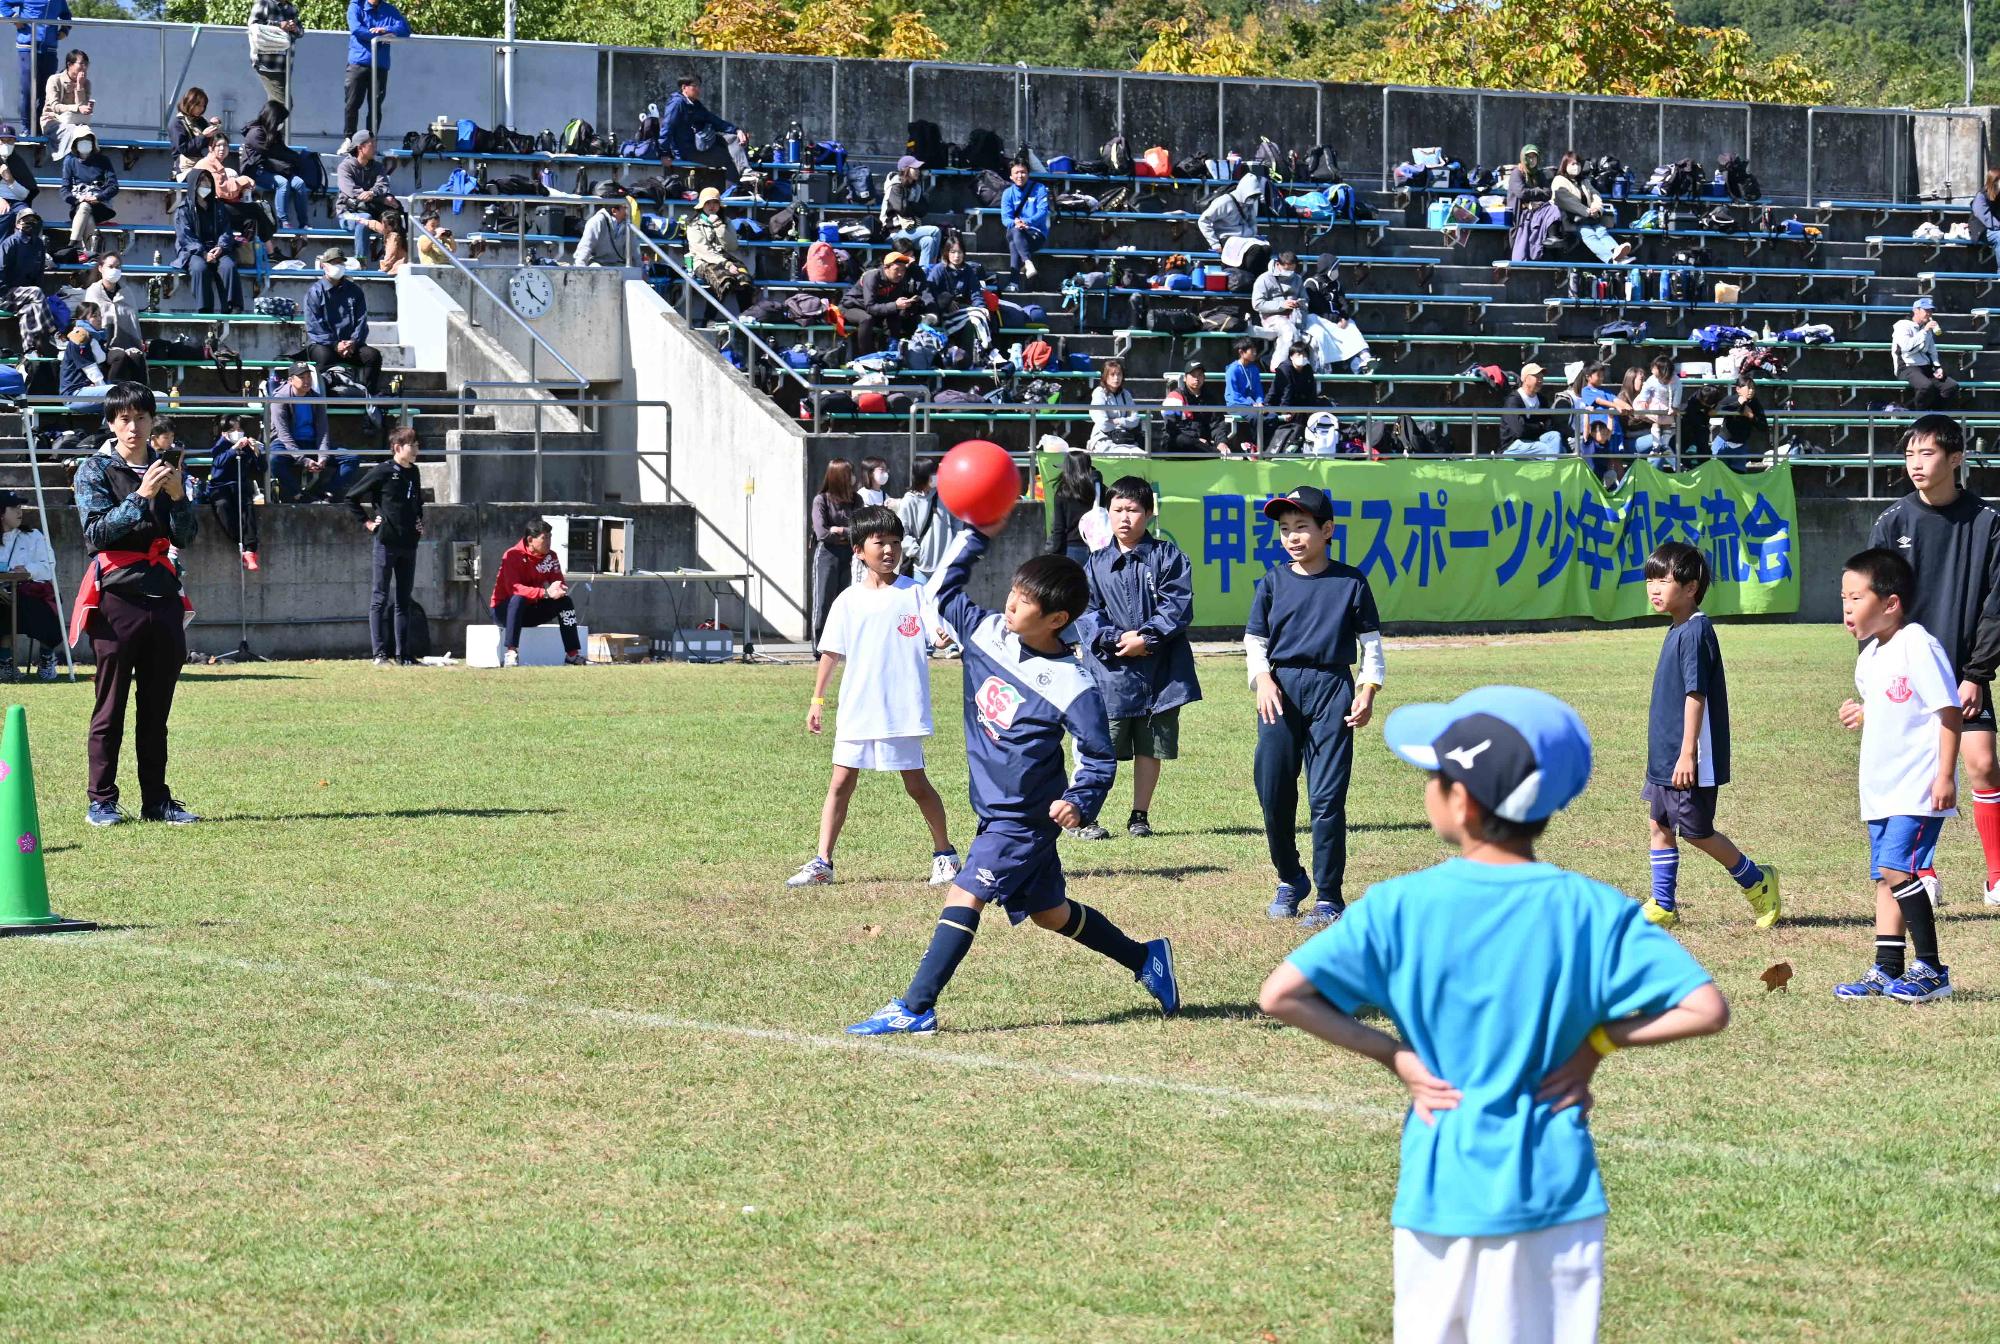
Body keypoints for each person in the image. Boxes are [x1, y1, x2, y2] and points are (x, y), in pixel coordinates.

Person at [1259, 685, 1729, 1344]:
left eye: (1434, 777)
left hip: (1441, 1189)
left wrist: (1395, 1055)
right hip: (1555, 1195)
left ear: (1463, 802)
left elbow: (1280, 995)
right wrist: (1595, 1043)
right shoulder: (1593, 908)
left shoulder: (1398, 906)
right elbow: (1705, 1008)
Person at [844, 513, 1179, 1036]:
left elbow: (1098, 756)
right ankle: (1145, 958)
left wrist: (1081, 801)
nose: (1011, 604)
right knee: (1051, 913)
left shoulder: (1072, 684)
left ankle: (915, 1006)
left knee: (965, 893)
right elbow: (939, 591)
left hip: (1022, 820)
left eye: (1024, 602)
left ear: (1056, 618)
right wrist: (976, 532)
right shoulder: (986, 633)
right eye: (1013, 592)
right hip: (992, 809)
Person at [786, 505, 959, 889]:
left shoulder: (916, 592)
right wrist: (817, 700)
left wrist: (942, 636)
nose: (889, 550)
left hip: (901, 710)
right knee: (840, 783)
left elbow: (937, 633)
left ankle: (945, 856)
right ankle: (823, 863)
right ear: (858, 550)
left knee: (916, 785)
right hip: (858, 708)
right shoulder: (848, 600)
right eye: (880, 543)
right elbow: (831, 652)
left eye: (895, 542)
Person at [1866, 414, 2000, 909]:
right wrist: (1875, 677)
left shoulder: (1987, 523)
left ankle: (1996, 877)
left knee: (1983, 764)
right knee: (1915, 775)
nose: (1915, 464)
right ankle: (1921, 870)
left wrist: (1977, 674)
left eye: (1926, 453)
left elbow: (1996, 605)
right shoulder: (1892, 523)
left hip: (1964, 673)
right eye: (1909, 454)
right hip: (1906, 676)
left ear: (1956, 458)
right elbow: (1872, 604)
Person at [1248, 485, 1384, 930]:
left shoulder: (1351, 582)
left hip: (1332, 690)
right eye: (1285, 528)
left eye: (1302, 526)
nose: (1292, 536)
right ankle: (1290, 878)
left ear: (1327, 530)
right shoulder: (1273, 582)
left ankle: (1328, 896)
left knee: (1326, 799)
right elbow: (1255, 640)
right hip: (1279, 692)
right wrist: (1263, 679)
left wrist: (1367, 690)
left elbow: (1371, 645)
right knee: (1273, 792)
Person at [70, 381, 200, 827]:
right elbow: (97, 534)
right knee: (110, 706)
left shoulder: (167, 467)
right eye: (124, 419)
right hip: (116, 598)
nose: (133, 427)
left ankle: (157, 801)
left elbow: (187, 535)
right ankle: (101, 799)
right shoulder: (94, 469)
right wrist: (142, 495)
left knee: (156, 710)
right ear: (111, 423)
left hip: (163, 595)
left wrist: (178, 497)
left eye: (141, 418)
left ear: (151, 421)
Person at [1835, 548, 1961, 1003]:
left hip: (1917, 787)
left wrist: (1945, 776)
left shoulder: (1918, 645)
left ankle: (1931, 969)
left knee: (1897, 868)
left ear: (1890, 603)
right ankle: (1887, 968)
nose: (1847, 607)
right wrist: (1863, 713)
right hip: (1880, 789)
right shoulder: (1869, 656)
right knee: (1884, 876)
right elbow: (1892, 706)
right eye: (1843, 598)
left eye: (1856, 597)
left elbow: (1948, 712)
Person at [1636, 542, 1781, 929]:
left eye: (1663, 581)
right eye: (1650, 580)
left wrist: (1688, 754)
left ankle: (1757, 880)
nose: (1654, 589)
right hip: (1665, 754)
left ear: (1691, 587)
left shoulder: (1696, 631)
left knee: (1697, 831)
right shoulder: (1677, 628)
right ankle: (1663, 904)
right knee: (1659, 824)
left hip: (1689, 755)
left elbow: (1695, 694)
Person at [1071, 476, 1199, 842]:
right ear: (1107, 514)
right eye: (1117, 510)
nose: (1125, 518)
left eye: (1133, 510)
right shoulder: (1094, 564)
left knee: (1150, 746)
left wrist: (1147, 638)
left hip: (1161, 671)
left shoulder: (1169, 557)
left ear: (1149, 513)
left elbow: (1178, 605)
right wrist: (1115, 639)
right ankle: (1085, 817)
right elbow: (1087, 612)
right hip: (1111, 672)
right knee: (1101, 746)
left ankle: (1139, 816)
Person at [345, 426, 423, 666]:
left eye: (417, 445)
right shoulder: (383, 471)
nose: (416, 449)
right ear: (398, 448)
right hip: (386, 542)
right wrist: (368, 523)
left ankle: (403, 654)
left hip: (409, 543)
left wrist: (419, 521)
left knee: (404, 599)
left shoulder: (414, 472)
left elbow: (417, 502)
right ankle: (379, 654)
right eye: (412, 445)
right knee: (380, 597)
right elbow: (351, 497)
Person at [489, 518, 583, 667]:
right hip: (504, 612)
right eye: (544, 538)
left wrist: (559, 588)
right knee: (518, 598)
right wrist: (545, 593)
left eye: (550, 537)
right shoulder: (512, 555)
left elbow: (558, 582)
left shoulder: (551, 556)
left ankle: (572, 655)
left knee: (565, 602)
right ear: (530, 540)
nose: (549, 542)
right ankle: (511, 653)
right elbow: (515, 589)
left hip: (530, 610)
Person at [267, 362, 353, 501]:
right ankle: (299, 495)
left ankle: (327, 493)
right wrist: (304, 460)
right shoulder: (280, 399)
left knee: (351, 457)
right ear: (291, 380)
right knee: (273, 459)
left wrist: (323, 456)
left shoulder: (316, 398)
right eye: (302, 377)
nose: (307, 381)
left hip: (312, 443)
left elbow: (323, 430)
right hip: (286, 444)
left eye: (309, 377)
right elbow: (283, 435)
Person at [0, 489, 61, 680]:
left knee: (40, 606)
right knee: (3, 609)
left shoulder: (33, 536)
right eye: (14, 508)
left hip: (31, 592)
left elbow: (48, 566)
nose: (19, 512)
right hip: (3, 594)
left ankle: (46, 657)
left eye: (20, 507)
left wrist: (28, 570)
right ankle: (5, 661)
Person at [306, 247, 381, 396]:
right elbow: (315, 326)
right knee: (324, 357)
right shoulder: (315, 292)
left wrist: (353, 342)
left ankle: (368, 398)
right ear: (324, 265)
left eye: (341, 262)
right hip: (324, 345)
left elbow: (361, 321)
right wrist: (335, 344)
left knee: (373, 356)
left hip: (351, 346)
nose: (338, 266)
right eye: (334, 262)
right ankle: (326, 397)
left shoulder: (355, 291)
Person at [1252, 251, 1339, 372]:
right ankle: (1279, 367)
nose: (1290, 272)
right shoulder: (1264, 279)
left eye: (1292, 269)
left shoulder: (1297, 279)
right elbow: (1257, 304)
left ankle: (1314, 371)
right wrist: (1282, 305)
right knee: (1289, 332)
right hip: (1272, 317)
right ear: (1278, 264)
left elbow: (1305, 299)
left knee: (1317, 336)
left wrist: (1299, 304)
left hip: (1296, 315)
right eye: (1286, 269)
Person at [342, 0, 410, 147]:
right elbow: (356, 29)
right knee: (352, 103)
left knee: (375, 107)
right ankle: (349, 141)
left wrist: (385, 30)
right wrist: (377, 37)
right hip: (358, 63)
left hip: (380, 65)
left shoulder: (389, 10)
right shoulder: (356, 6)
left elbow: (405, 30)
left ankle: (369, 143)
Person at [174, 169, 242, 314]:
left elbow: (226, 230)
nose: (206, 185)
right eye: (202, 181)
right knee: (199, 268)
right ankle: (205, 310)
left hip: (217, 249)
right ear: (194, 185)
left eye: (208, 181)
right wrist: (203, 253)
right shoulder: (183, 210)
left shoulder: (218, 206)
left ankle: (232, 307)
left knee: (228, 266)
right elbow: (186, 237)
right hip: (193, 252)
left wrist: (221, 247)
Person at [663, 75, 752, 185]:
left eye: (699, 86)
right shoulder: (677, 104)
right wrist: (665, 154)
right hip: (688, 151)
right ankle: (734, 190)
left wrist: (737, 130)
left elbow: (714, 120)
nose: (698, 90)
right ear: (684, 87)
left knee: (734, 138)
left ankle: (746, 172)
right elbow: (667, 128)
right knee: (727, 158)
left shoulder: (695, 105)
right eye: (695, 86)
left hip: (701, 144)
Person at [680, 185, 755, 314]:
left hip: (726, 259)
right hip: (702, 261)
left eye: (715, 202)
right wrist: (726, 264)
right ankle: (709, 319)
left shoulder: (726, 221)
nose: (712, 206)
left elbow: (732, 246)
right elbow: (703, 251)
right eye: (708, 203)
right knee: (724, 280)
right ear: (702, 205)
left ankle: (747, 316)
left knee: (744, 279)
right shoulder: (693, 224)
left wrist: (719, 226)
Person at [839, 251, 929, 356]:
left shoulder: (899, 280)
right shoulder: (872, 276)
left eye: (903, 270)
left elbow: (889, 306)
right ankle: (866, 356)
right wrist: (895, 305)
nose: (900, 273)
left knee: (894, 316)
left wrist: (904, 305)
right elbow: (870, 307)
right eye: (896, 269)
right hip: (851, 307)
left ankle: (892, 349)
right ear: (886, 268)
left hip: (875, 309)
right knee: (866, 319)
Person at [242, 100, 309, 240]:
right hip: (256, 171)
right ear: (274, 118)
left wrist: (297, 158)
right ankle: (283, 221)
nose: (282, 124)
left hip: (274, 169)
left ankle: (304, 224)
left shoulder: (274, 133)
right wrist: (292, 158)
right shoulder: (256, 133)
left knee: (300, 183)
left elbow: (282, 150)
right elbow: (273, 152)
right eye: (281, 120)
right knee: (282, 183)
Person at [809, 458, 857, 654]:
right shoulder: (821, 500)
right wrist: (842, 534)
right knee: (823, 601)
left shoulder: (856, 500)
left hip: (849, 554)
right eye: (849, 474)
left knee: (845, 602)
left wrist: (840, 530)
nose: (853, 478)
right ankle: (819, 647)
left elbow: (859, 529)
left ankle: (841, 645)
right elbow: (822, 533)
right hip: (827, 555)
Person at [202, 416, 262, 570]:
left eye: (239, 429)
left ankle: (250, 549)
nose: (237, 432)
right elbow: (218, 462)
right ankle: (239, 541)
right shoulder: (220, 445)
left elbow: (261, 468)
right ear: (224, 433)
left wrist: (256, 452)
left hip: (240, 485)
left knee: (247, 507)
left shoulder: (247, 446)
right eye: (232, 429)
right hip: (220, 487)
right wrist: (233, 449)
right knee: (223, 506)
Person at [1551, 150, 1632, 264]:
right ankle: (1610, 259)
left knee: (1601, 231)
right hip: (1570, 220)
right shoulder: (1559, 180)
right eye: (1572, 164)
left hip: (1589, 218)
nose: (1576, 167)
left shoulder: (1584, 181)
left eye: (1578, 164)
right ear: (1565, 166)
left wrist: (1596, 208)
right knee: (1588, 234)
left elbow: (1595, 195)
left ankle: (1617, 252)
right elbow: (1567, 201)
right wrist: (1587, 211)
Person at [895, 458, 962, 589]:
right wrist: (917, 552)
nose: (937, 476)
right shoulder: (909, 500)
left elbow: (957, 520)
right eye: (933, 473)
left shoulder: (944, 495)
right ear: (923, 475)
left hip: (946, 566)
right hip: (920, 568)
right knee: (921, 600)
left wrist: (954, 545)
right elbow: (901, 531)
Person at [2, 0, 68, 130]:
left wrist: (65, 30)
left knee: (48, 91)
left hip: (49, 49)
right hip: (28, 46)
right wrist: (13, 17)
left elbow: (66, 14)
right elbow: (3, 2)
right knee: (28, 90)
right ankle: (26, 127)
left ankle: (40, 127)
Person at [925, 233, 993, 356]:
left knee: (979, 315)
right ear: (946, 253)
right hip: (943, 311)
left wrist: (981, 307)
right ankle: (989, 351)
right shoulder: (939, 269)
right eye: (953, 252)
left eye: (959, 252)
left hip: (962, 309)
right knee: (976, 316)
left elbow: (975, 293)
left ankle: (979, 353)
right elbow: (930, 290)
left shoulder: (968, 270)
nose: (956, 256)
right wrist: (947, 301)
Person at [334, 129, 397, 264]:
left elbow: (383, 185)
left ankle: (393, 262)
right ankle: (360, 261)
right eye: (371, 144)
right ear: (360, 148)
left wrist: (372, 193)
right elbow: (351, 191)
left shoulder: (378, 167)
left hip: (371, 210)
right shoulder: (345, 167)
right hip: (347, 213)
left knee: (394, 217)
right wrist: (378, 197)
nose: (375, 148)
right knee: (365, 219)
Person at [59, 300, 139, 403]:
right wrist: (102, 386)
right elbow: (90, 368)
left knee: (126, 392)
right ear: (83, 318)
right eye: (94, 316)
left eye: (100, 315)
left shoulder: (97, 337)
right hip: (74, 393)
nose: (99, 319)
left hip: (91, 389)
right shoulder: (79, 336)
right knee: (119, 394)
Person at [56, 121, 114, 255]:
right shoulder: (69, 161)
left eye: (88, 140)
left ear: (93, 143)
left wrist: (98, 197)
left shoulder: (103, 160)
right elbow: (64, 189)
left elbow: (113, 186)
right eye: (81, 140)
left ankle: (72, 243)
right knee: (86, 211)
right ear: (75, 143)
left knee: (86, 207)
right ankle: (91, 253)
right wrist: (77, 200)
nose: (85, 143)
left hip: (100, 205)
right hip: (79, 204)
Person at [1892, 297, 1958, 409]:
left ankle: (1936, 414)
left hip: (1925, 367)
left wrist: (1937, 367)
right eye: (1926, 310)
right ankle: (1915, 413)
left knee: (1951, 386)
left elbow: (1932, 351)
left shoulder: (1926, 328)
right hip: (1906, 367)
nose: (1929, 313)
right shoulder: (1902, 325)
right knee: (1926, 387)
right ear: (1916, 310)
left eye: (1931, 311)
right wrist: (1924, 331)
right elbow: (1906, 347)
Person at [0, 205, 50, 352]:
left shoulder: (39, 244)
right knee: (36, 293)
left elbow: (39, 274)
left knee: (29, 308)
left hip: (25, 295)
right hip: (5, 294)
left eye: (33, 220)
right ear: (17, 224)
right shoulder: (9, 243)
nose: (30, 223)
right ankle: (53, 332)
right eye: (25, 220)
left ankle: (29, 350)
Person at [880, 156, 944, 269]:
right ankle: (934, 265)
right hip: (894, 233)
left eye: (918, 168)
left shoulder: (916, 188)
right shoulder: (895, 186)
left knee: (928, 241)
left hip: (910, 231)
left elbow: (923, 210)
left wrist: (909, 205)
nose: (918, 171)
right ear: (905, 169)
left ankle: (924, 272)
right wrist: (914, 206)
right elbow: (901, 209)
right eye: (915, 168)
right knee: (935, 230)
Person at [1045, 449, 1102, 568]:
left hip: (1071, 549)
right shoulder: (1099, 490)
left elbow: (1059, 528)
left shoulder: (1062, 493)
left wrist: (1054, 553)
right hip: (1097, 546)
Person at [1198, 172, 1266, 272]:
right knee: (1254, 250)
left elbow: (1252, 221)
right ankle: (1245, 275)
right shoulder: (1224, 201)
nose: (1252, 198)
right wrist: (1214, 243)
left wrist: (1253, 234)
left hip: (1245, 239)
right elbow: (1203, 220)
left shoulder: (1249, 203)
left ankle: (1256, 277)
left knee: (1266, 249)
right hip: (1228, 238)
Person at [996, 160, 1050, 283]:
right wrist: (1016, 223)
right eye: (1016, 173)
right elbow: (1005, 218)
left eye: (1023, 172)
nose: (1020, 176)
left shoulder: (1039, 188)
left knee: (1013, 241)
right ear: (1011, 176)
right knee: (1015, 231)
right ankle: (1027, 262)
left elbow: (1042, 212)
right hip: (1017, 231)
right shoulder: (1007, 193)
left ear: (1028, 174)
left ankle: (1014, 282)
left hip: (1036, 234)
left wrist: (1026, 222)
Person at [82, 251, 142, 358]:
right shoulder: (93, 292)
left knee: (136, 357)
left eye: (117, 267)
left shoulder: (126, 292)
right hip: (100, 344)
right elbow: (89, 321)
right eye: (110, 266)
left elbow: (132, 319)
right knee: (118, 357)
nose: (114, 270)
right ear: (101, 268)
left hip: (127, 342)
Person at [1501, 361, 1566, 458]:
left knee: (1555, 436)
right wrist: (1539, 426)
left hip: (1535, 440)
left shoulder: (1541, 399)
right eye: (1537, 377)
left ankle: (1551, 465)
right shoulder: (1513, 400)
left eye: (1541, 377)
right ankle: (1553, 466)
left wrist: (1532, 426)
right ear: (1525, 379)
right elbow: (1519, 430)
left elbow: (1549, 425)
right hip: (1513, 445)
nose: (1540, 380)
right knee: (1549, 450)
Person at [246, 0, 303, 109]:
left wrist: (295, 28)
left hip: (285, 65)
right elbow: (253, 26)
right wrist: (278, 25)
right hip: (267, 64)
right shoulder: (263, 3)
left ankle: (265, 120)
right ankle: (265, 120)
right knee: (284, 105)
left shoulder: (290, 8)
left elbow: (300, 32)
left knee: (276, 107)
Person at [1160, 363, 1223, 455]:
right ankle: (1219, 454)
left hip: (1201, 444)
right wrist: (1196, 439)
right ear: (1185, 378)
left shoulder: (1210, 399)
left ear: (1204, 378)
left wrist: (1221, 442)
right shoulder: (1174, 397)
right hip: (1177, 441)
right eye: (1193, 375)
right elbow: (1171, 426)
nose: (1196, 378)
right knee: (1181, 440)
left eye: (1200, 375)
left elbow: (1217, 424)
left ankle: (1219, 453)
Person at [1632, 354, 1683, 468]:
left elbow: (1678, 393)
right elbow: (1646, 389)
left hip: (1668, 405)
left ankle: (1664, 445)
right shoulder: (1652, 379)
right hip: (1655, 403)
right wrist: (1643, 400)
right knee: (1656, 423)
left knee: (1667, 424)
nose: (1652, 370)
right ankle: (1656, 446)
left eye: (1654, 368)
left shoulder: (1676, 381)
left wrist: (1674, 406)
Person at [1711, 372, 1768, 470]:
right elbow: (1715, 410)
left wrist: (1751, 416)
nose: (1751, 391)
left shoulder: (1755, 404)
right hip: (1723, 443)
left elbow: (1763, 426)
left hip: (1741, 446)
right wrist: (1737, 404)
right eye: (1748, 388)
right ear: (1738, 389)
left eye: (1753, 388)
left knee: (1738, 475)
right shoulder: (1732, 399)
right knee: (1715, 472)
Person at [572, 180, 633, 270]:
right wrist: (579, 271)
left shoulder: (628, 223)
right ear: (614, 211)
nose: (629, 211)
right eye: (625, 207)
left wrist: (641, 271)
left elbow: (634, 250)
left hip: (618, 265)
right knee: (597, 269)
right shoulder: (596, 221)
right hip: (598, 264)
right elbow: (585, 248)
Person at [1087, 358, 1143, 454]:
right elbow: (1103, 423)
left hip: (1124, 438)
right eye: (1112, 374)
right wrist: (1124, 423)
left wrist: (1118, 421)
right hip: (1103, 439)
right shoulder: (1099, 393)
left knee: (1141, 455)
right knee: (1123, 454)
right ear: (1105, 376)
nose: (1116, 378)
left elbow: (1135, 419)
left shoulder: (1126, 394)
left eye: (1119, 374)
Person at [1223, 336, 1264, 448]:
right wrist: (1252, 404)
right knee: (1256, 417)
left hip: (1252, 406)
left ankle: (1268, 447)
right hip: (1235, 405)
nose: (1255, 353)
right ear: (1241, 352)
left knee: (1272, 416)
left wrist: (1260, 402)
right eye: (1252, 350)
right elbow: (1234, 395)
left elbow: (1258, 390)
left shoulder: (1254, 369)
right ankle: (1255, 447)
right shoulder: (1232, 369)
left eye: (1255, 350)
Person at [37, 44, 86, 135]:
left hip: (75, 122)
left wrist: (79, 86)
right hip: (52, 120)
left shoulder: (85, 83)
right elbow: (55, 107)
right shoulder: (55, 80)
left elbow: (82, 109)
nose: (84, 68)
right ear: (69, 64)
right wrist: (77, 108)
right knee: (70, 132)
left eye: (86, 64)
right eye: (81, 64)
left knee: (86, 134)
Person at [170, 87, 219, 176]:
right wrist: (203, 136)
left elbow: (214, 142)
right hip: (185, 168)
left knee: (230, 174)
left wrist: (214, 126)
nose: (201, 109)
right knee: (203, 179)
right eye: (198, 105)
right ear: (189, 103)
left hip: (205, 164)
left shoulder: (201, 121)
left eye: (203, 106)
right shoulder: (177, 123)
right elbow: (184, 149)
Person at [0, 123, 39, 212]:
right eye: (2, 140)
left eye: (9, 140)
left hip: (16, 203)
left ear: (14, 142)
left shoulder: (17, 162)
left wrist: (10, 180)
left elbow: (24, 195)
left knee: (28, 215)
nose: (6, 144)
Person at [1503, 143, 1547, 215]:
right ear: (1524, 158)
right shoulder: (1517, 173)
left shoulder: (1540, 174)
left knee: (1554, 211)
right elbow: (1522, 193)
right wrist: (1538, 191)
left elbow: (1548, 193)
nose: (1532, 160)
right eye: (1529, 157)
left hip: (1538, 209)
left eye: (1534, 157)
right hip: (1521, 213)